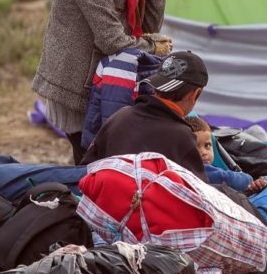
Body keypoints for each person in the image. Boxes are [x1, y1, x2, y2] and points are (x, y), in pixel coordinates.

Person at [32, 0, 174, 164]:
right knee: (92, 160)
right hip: (77, 86)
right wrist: (155, 47)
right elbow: (113, 41)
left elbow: (146, 28)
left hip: (105, 78)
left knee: (106, 159)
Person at [81, 51, 207, 181]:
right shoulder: (182, 136)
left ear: (155, 86)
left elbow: (87, 167)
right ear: (195, 94)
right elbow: (197, 192)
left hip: (102, 198)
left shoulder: (119, 116)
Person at [186, 115, 253, 191]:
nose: (204, 152)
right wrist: (249, 179)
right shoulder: (202, 171)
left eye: (207, 145)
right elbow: (228, 179)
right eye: (196, 147)